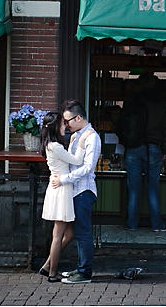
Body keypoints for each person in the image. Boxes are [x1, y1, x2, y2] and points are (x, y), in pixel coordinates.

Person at [50, 99, 101, 284]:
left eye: (68, 121)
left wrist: (63, 179)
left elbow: (88, 168)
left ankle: (85, 273)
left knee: (83, 233)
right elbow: (72, 161)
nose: (66, 124)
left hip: (84, 191)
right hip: (73, 191)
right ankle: (80, 269)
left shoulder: (92, 137)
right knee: (78, 232)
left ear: (78, 117)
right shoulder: (76, 136)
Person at [37, 112, 85, 282]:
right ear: (56, 127)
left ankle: (47, 265)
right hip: (61, 190)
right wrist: (79, 142)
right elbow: (77, 161)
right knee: (58, 235)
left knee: (69, 233)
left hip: (60, 187)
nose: (66, 126)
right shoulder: (55, 146)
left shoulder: (51, 145)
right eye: (63, 124)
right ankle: (52, 273)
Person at [124, 72, 166, 233]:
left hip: (133, 148)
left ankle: (131, 224)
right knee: (152, 187)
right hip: (153, 148)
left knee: (134, 188)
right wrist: (164, 149)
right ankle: (157, 224)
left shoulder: (133, 101)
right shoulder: (161, 104)